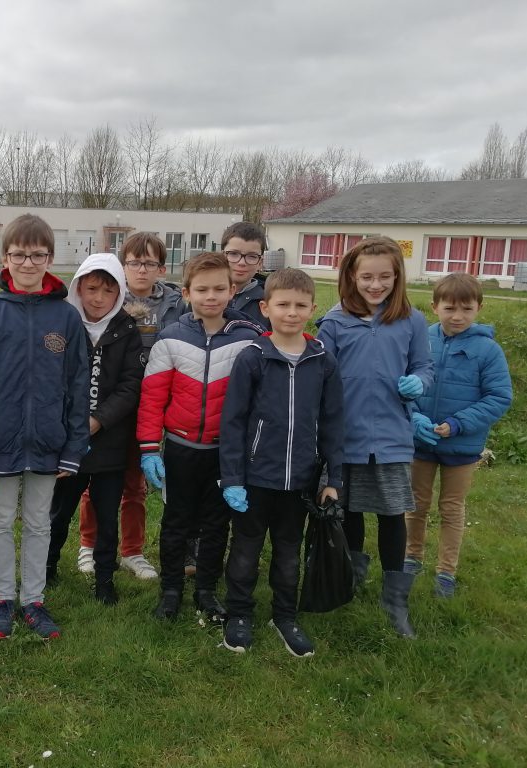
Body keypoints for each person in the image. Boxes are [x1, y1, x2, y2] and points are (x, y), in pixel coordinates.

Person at [0, 213, 88, 640]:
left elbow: (77, 385)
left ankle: (33, 600)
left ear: (50, 258)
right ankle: (2, 599)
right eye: (19, 255)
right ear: (5, 258)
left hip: (49, 442)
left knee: (38, 522)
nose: (28, 263)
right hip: (0, 441)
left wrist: (74, 446)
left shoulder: (66, 318)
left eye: (37, 255)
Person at [219, 268, 344, 657]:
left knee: (289, 553)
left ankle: (285, 616)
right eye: (283, 304)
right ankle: (239, 614)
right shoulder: (252, 358)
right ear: (265, 308)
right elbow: (233, 422)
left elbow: (333, 423)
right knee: (245, 550)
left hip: (300, 481)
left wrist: (332, 478)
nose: (291, 312)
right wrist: (232, 478)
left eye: (300, 305)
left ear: (312, 309)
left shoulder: (323, 361)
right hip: (255, 478)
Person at [316, 235, 433, 638]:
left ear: (397, 277)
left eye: (385, 277)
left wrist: (419, 382)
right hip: (344, 437)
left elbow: (425, 366)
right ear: (351, 276)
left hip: (390, 437)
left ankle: (395, 600)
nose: (375, 284)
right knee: (348, 510)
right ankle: (351, 578)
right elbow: (320, 374)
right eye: (367, 277)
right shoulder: (333, 322)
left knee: (391, 514)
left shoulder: (412, 321)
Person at [137, 251, 261, 621]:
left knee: (216, 525)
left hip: (225, 453)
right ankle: (170, 588)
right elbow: (152, 398)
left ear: (232, 290)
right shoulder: (170, 338)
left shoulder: (249, 340)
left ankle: (206, 588)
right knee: (176, 522)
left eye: (219, 289)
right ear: (187, 293)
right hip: (180, 449)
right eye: (202, 289)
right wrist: (149, 448)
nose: (211, 296)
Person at [76, 232, 183, 580]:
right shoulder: (107, 298)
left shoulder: (175, 305)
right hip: (108, 403)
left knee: (135, 484)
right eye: (135, 262)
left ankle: (132, 551)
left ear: (161, 268)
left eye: (149, 263)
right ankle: (88, 544)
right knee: (94, 481)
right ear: (123, 266)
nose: (141, 269)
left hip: (149, 403)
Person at [404, 273, 512, 598]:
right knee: (416, 504)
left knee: (451, 508)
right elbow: (403, 384)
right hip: (421, 441)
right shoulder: (420, 340)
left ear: (479, 308)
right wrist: (413, 416)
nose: (457, 316)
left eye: (466, 308)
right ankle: (411, 558)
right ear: (434, 306)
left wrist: (458, 423)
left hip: (463, 445)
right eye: (450, 308)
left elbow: (498, 397)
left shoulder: (488, 350)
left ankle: (446, 572)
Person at [46, 253, 144, 604]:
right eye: (91, 289)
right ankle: (46, 567)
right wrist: (70, 424)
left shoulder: (127, 330)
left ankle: (104, 578)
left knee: (106, 515)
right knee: (58, 512)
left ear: (119, 293)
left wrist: (98, 419)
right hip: (68, 443)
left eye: (108, 290)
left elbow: (130, 386)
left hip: (110, 443)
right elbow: (51, 378)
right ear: (78, 288)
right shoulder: (64, 324)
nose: (99, 298)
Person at [222, 221, 270, 330]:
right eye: (234, 254)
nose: (242, 262)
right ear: (222, 256)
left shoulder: (271, 301)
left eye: (251, 256)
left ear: (260, 262)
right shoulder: (203, 295)